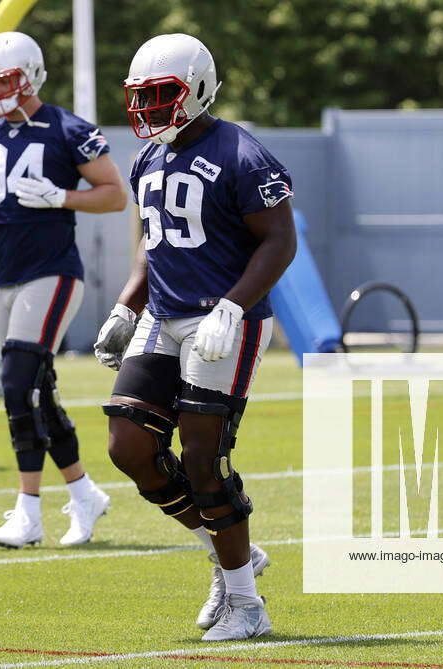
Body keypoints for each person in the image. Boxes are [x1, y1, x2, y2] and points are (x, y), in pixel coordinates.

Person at [95, 34, 297, 641]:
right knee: (128, 445)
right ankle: (228, 548)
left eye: (162, 95)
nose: (150, 110)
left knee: (203, 458)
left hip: (221, 322)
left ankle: (246, 604)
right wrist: (126, 305)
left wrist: (234, 307)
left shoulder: (241, 153)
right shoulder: (147, 159)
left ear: (200, 89)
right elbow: (154, 241)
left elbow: (279, 240)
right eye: (142, 98)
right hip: (163, 314)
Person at [0, 32, 127, 547]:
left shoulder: (67, 129)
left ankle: (28, 512)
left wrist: (60, 197)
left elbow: (115, 194)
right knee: (37, 390)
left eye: (7, 79)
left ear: (31, 76)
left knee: (15, 384)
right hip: (0, 276)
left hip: (51, 272)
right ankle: (83, 494)